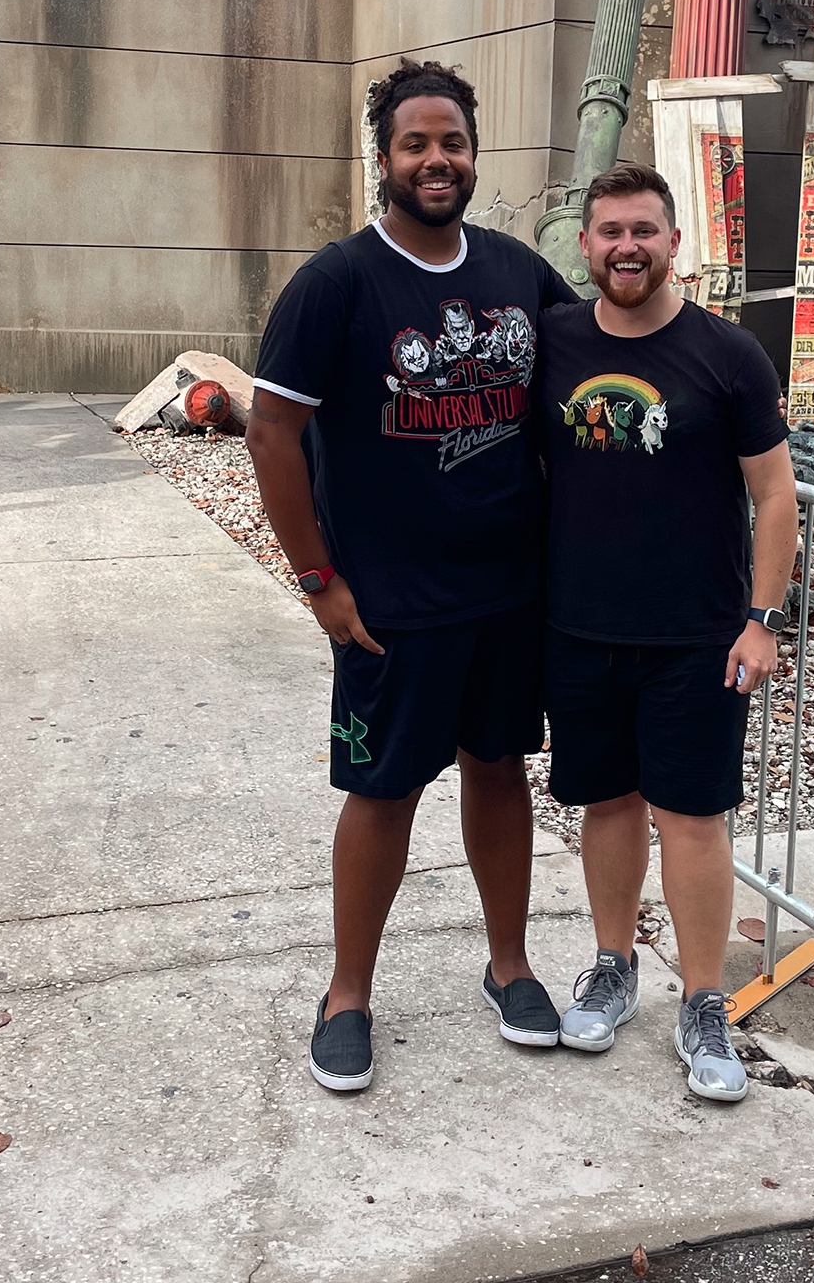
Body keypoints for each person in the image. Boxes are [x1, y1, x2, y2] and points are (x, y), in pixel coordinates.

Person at [246, 59, 578, 1093]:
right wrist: (317, 579)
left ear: (475, 153)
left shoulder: (521, 273)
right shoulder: (338, 283)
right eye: (415, 144)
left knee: (499, 772)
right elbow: (271, 433)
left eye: (453, 142)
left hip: (508, 592)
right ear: (382, 157)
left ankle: (510, 965)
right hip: (391, 602)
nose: (437, 160)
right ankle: (348, 994)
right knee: (382, 793)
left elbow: (605, 359)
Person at [534, 161, 799, 1102]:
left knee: (692, 818)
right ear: (587, 244)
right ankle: (613, 966)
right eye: (609, 232)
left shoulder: (729, 355)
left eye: (643, 230)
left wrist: (762, 622)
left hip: (697, 635)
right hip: (578, 627)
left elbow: (775, 497)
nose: (626, 248)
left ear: (675, 240)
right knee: (606, 806)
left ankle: (703, 1002)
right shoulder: (555, 343)